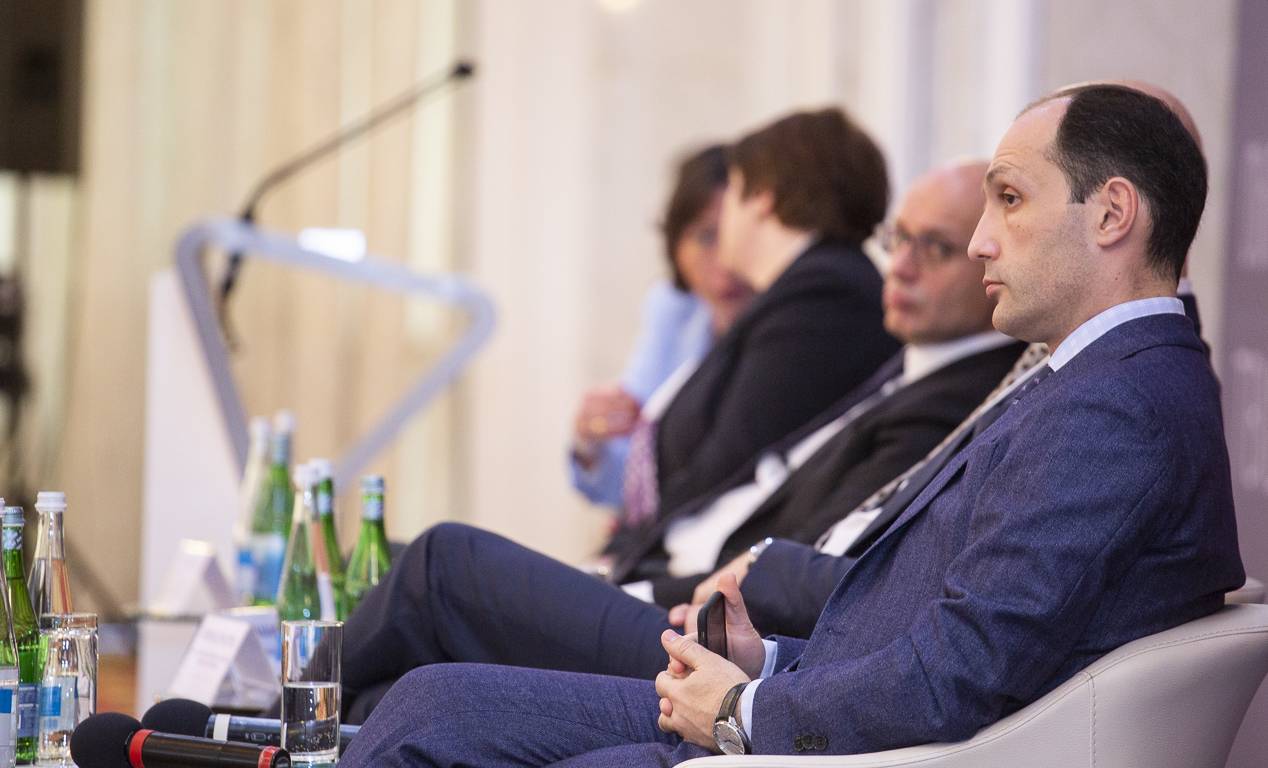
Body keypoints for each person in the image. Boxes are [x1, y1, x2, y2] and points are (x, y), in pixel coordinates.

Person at [339, 83, 1243, 766]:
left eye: (1009, 198)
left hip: (829, 747)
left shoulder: (1117, 406)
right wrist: (767, 659)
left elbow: (963, 670)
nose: (980, 241)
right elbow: (946, 630)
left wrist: (744, 710)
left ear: (1112, 214)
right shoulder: (1106, 383)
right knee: (427, 705)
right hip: (815, 703)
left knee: (435, 708)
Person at [333, 159, 1030, 720]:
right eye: (896, 239)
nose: (900, 266)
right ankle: (289, 722)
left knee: (441, 562)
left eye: (936, 247)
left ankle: (273, 709)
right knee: (388, 688)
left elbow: (818, 553)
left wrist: (637, 583)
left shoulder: (957, 397)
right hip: (708, 603)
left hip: (736, 638)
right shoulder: (903, 367)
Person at [596, 107, 900, 560]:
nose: (723, 229)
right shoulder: (803, 290)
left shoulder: (824, 295)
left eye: (734, 193)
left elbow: (729, 466)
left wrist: (620, 561)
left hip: (703, 574)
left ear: (761, 199)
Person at [570, 145, 753, 511]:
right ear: (674, 243)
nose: (725, 262)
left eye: (739, 237)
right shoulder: (675, 309)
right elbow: (624, 483)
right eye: (706, 237)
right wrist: (591, 444)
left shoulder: (794, 325)